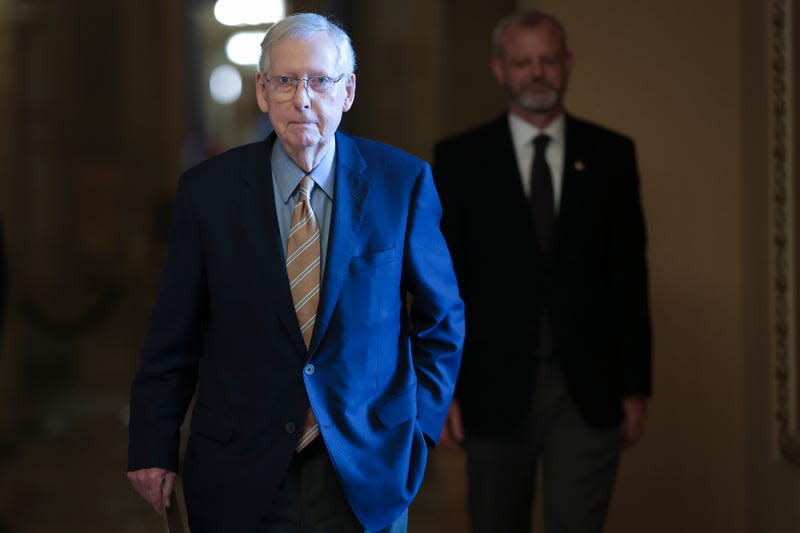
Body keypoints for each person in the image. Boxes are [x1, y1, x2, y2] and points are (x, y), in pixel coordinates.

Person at [127, 12, 464, 533]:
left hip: (366, 467)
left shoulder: (403, 183)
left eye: (319, 81)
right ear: (262, 91)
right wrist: (153, 444)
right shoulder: (207, 193)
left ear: (348, 92)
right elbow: (174, 330)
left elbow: (441, 321)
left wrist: (418, 431)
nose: (301, 99)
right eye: (286, 81)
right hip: (238, 468)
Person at [433, 10, 652, 533]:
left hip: (589, 389)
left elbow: (628, 275)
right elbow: (442, 283)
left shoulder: (611, 155)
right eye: (522, 62)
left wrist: (636, 385)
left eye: (548, 60)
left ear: (568, 63)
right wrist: (441, 388)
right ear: (499, 69)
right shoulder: (459, 159)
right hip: (490, 387)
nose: (537, 73)